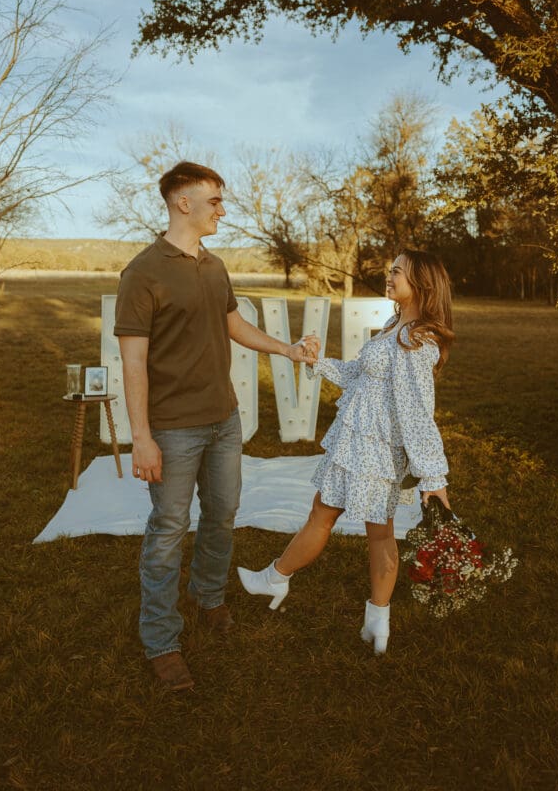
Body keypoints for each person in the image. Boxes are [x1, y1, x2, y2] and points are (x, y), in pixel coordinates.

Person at [114, 161, 318, 691]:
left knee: (223, 514)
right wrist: (142, 438)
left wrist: (288, 349)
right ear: (183, 202)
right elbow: (132, 364)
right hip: (173, 429)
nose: (222, 211)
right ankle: (161, 641)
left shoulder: (215, 265)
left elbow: (233, 324)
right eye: (215, 201)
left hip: (224, 420)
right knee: (167, 533)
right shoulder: (142, 272)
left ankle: (208, 597)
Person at [238, 249, 454, 654]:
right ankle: (375, 621)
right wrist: (316, 363)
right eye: (390, 271)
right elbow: (358, 374)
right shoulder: (396, 326)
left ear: (421, 285)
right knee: (355, 525)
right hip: (357, 445)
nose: (388, 277)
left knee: (345, 523)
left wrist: (433, 477)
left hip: (376, 452)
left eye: (397, 273)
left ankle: (280, 579)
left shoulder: (415, 340)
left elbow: (417, 413)